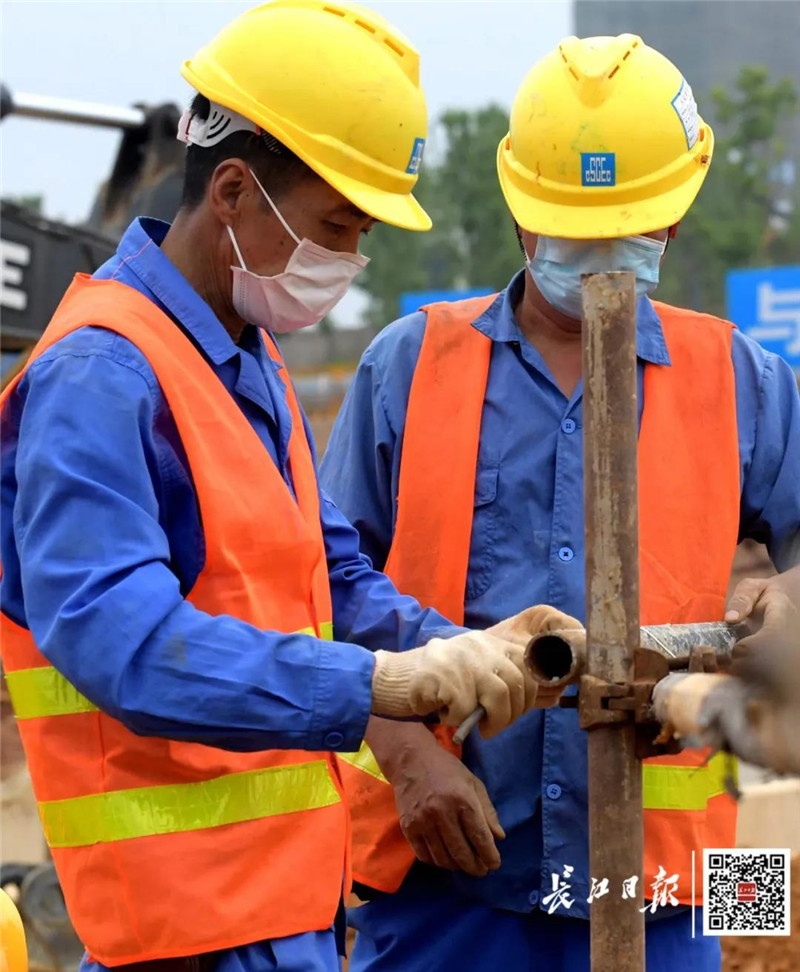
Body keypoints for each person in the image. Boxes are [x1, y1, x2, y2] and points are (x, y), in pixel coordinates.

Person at [0, 4, 574, 971]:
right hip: (181, 929)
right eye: (335, 227)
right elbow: (117, 637)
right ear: (232, 189)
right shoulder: (106, 377)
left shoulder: (244, 356)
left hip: (287, 909)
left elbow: (326, 571)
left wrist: (460, 647)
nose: (345, 266)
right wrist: (382, 690)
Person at [320, 33, 800, 972]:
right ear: (520, 216)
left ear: (671, 224)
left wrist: (786, 612)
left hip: (675, 892)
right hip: (442, 881)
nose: (600, 255)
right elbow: (319, 595)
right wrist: (411, 761)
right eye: (574, 229)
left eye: (626, 228)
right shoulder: (406, 367)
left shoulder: (743, 377)